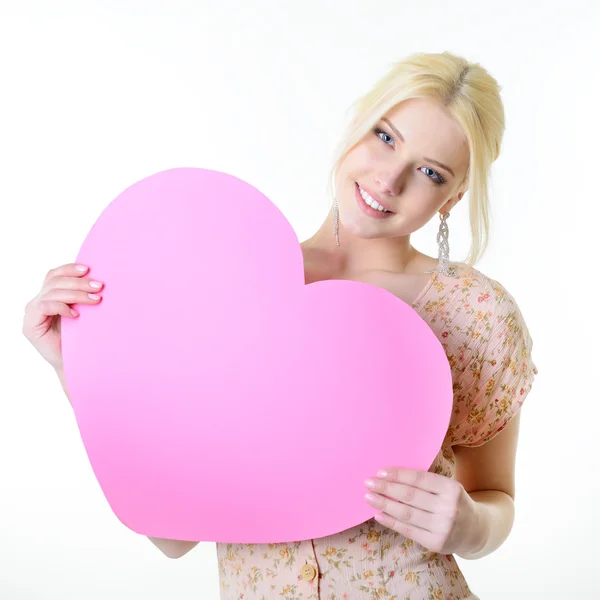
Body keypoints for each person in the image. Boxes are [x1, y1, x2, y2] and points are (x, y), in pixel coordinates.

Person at [22, 50, 538, 599]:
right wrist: (76, 362)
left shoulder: (475, 314)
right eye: (386, 137)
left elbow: (495, 496)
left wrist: (472, 528)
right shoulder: (226, 288)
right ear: (357, 127)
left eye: (430, 172)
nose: (390, 180)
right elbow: (170, 534)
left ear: (451, 198)